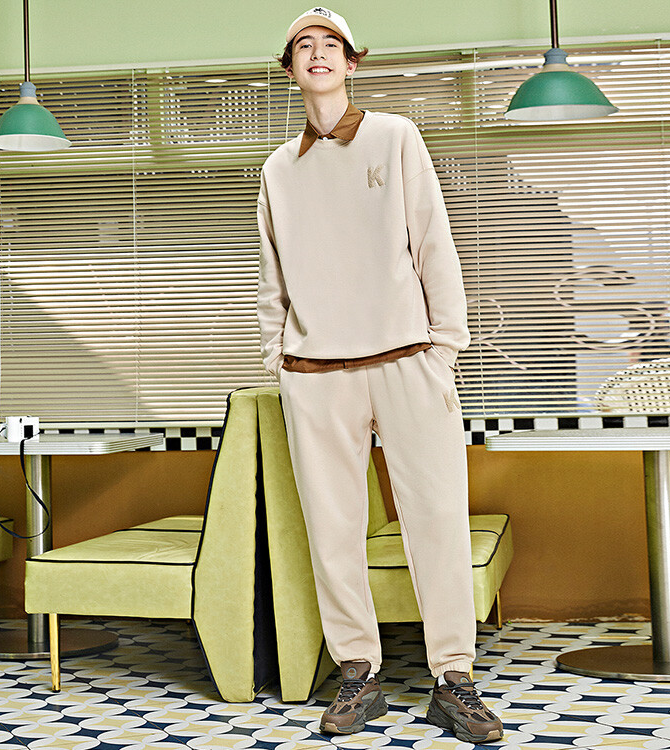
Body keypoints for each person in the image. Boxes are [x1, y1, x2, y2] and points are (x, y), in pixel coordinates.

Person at [256, 7, 503, 744]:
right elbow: (272, 278)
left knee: (438, 520)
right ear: (290, 69)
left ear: (351, 62)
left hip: (407, 360)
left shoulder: (396, 137)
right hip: (315, 373)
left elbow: (433, 242)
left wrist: (444, 348)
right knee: (332, 530)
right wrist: (280, 360)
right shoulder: (277, 168)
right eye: (304, 46)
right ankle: (358, 675)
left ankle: (453, 679)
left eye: (330, 44)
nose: (318, 54)